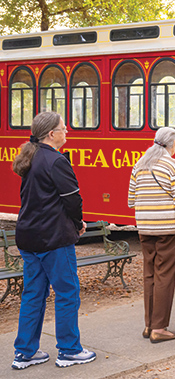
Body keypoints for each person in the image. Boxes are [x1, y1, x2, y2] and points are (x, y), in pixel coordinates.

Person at [11, 111, 97, 369]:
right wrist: (79, 223)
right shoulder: (56, 161)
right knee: (67, 292)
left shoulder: (31, 157)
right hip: (54, 238)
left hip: (28, 236)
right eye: (63, 128)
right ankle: (69, 349)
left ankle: (25, 352)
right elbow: (72, 199)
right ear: (51, 134)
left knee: (33, 294)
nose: (66, 131)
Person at [128, 127, 175, 344]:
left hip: (145, 229)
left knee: (149, 274)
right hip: (168, 230)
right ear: (172, 143)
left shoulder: (140, 164)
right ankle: (159, 327)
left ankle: (149, 325)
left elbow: (131, 200)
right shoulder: (174, 166)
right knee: (165, 276)